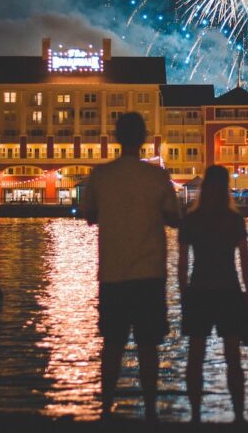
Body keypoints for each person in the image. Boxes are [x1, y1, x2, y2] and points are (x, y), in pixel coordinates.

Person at [80, 112, 181, 421]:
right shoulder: (157, 177)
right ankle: (150, 411)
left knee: (112, 344)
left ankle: (106, 410)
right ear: (144, 139)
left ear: (115, 138)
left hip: (113, 273)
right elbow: (175, 218)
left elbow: (88, 214)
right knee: (149, 345)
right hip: (149, 273)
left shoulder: (100, 176)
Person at [178, 165, 248, 424]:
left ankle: (196, 415)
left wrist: (183, 293)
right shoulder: (234, 220)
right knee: (233, 357)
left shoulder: (191, 219)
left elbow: (181, 264)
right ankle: (239, 415)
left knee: (195, 357)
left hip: (198, 289)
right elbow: (245, 262)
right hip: (228, 290)